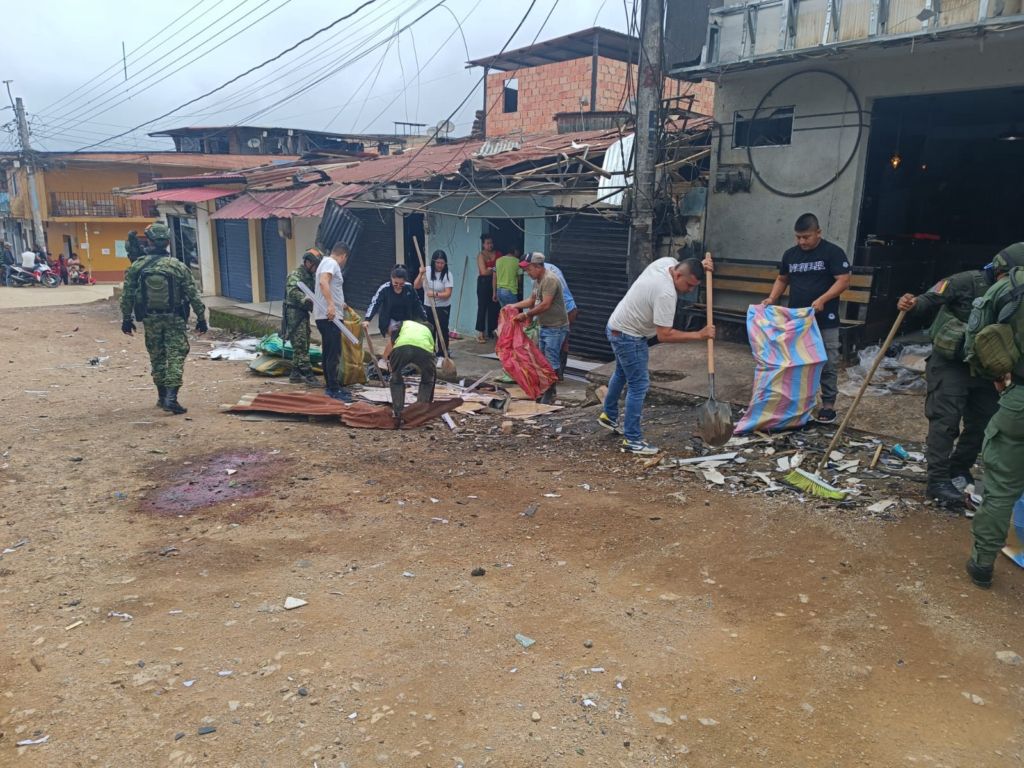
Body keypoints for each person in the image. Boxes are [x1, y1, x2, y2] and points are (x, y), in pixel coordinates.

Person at [895, 253, 1022, 508]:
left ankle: (958, 469)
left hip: (985, 368)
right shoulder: (965, 282)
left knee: (982, 423)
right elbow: (929, 299)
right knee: (945, 422)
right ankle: (938, 481)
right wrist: (910, 303)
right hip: (951, 365)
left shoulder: (1017, 292)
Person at [599, 255, 716, 455]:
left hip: (616, 326)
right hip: (629, 336)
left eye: (694, 286)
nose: (689, 290)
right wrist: (699, 334)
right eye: (688, 285)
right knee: (639, 384)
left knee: (622, 372)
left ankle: (609, 415)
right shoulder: (666, 294)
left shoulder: (666, 262)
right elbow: (664, 335)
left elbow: (687, 265)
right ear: (677, 274)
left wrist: (700, 265)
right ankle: (633, 439)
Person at [964, 243, 1024, 589]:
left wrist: (999, 379)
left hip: (1020, 401)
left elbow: (977, 343)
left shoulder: (1008, 288)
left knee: (1001, 488)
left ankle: (983, 563)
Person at [762, 213, 851, 424]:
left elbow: (844, 280)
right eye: (798, 237)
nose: (802, 241)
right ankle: (798, 402)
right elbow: (782, 278)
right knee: (797, 362)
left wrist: (823, 299)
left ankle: (828, 405)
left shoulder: (833, 253)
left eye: (806, 237)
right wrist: (772, 298)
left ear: (818, 233)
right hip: (797, 319)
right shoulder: (791, 255)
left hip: (825, 319)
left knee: (828, 361)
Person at [120, 221, 207, 415]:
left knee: (157, 356)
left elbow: (127, 295)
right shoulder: (177, 266)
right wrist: (201, 317)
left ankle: (161, 397)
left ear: (149, 241)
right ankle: (171, 398)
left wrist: (127, 318)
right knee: (176, 355)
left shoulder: (138, 266)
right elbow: (193, 294)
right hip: (175, 318)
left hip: (150, 319)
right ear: (167, 242)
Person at [510, 252, 568, 405]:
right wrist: (514, 306)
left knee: (550, 361)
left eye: (529, 269)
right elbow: (531, 300)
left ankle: (550, 393)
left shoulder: (550, 280)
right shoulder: (537, 280)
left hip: (556, 326)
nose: (527, 273)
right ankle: (547, 389)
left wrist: (526, 315)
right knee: (542, 361)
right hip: (545, 325)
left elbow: (545, 304)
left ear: (537, 266)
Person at [314, 242, 352, 403]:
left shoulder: (324, 262)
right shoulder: (331, 263)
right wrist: (331, 305)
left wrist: (339, 303)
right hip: (330, 317)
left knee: (328, 351)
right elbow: (324, 282)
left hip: (326, 315)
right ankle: (333, 389)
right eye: (345, 259)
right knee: (333, 353)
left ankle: (331, 385)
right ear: (343, 256)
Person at [383, 319, 437, 424]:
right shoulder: (428, 331)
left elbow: (392, 341)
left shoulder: (404, 323)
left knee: (396, 379)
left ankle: (398, 413)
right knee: (427, 379)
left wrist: (390, 362)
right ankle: (420, 411)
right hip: (424, 350)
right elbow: (432, 353)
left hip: (402, 347)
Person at [283, 248, 322, 386]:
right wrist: (305, 299)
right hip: (294, 313)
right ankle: (308, 375)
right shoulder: (296, 275)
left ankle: (295, 373)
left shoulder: (310, 276)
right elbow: (292, 291)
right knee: (300, 343)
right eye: (315, 265)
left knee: (302, 342)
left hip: (303, 313)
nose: (316, 268)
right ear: (308, 262)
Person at [364, 265, 430, 338]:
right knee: (395, 337)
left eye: (401, 284)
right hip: (390, 319)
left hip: (405, 319)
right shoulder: (385, 289)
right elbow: (375, 304)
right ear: (391, 279)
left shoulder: (409, 288)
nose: (398, 286)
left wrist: (425, 319)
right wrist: (367, 319)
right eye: (395, 283)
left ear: (405, 281)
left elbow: (417, 304)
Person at [414, 249, 454, 358]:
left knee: (442, 330)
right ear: (433, 261)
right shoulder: (426, 271)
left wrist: (435, 294)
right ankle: (430, 352)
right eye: (438, 262)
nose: (440, 265)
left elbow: (448, 293)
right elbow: (416, 286)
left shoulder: (448, 275)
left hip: (443, 308)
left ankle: (442, 354)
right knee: (429, 330)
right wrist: (420, 273)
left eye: (442, 263)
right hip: (428, 306)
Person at [543, 259, 578, 379]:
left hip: (564, 312)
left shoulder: (546, 278)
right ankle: (560, 373)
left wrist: (529, 315)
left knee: (554, 344)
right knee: (563, 341)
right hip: (570, 308)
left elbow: (544, 303)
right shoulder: (551, 268)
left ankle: (555, 375)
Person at [475, 234, 500, 342]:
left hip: (495, 283)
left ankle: (491, 331)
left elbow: (500, 268)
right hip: (484, 283)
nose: (490, 245)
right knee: (482, 307)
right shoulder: (481, 255)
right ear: (483, 244)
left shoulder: (498, 254)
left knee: (494, 308)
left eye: (491, 243)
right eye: (487, 243)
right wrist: (493, 270)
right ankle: (481, 333)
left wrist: (491, 269)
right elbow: (484, 272)